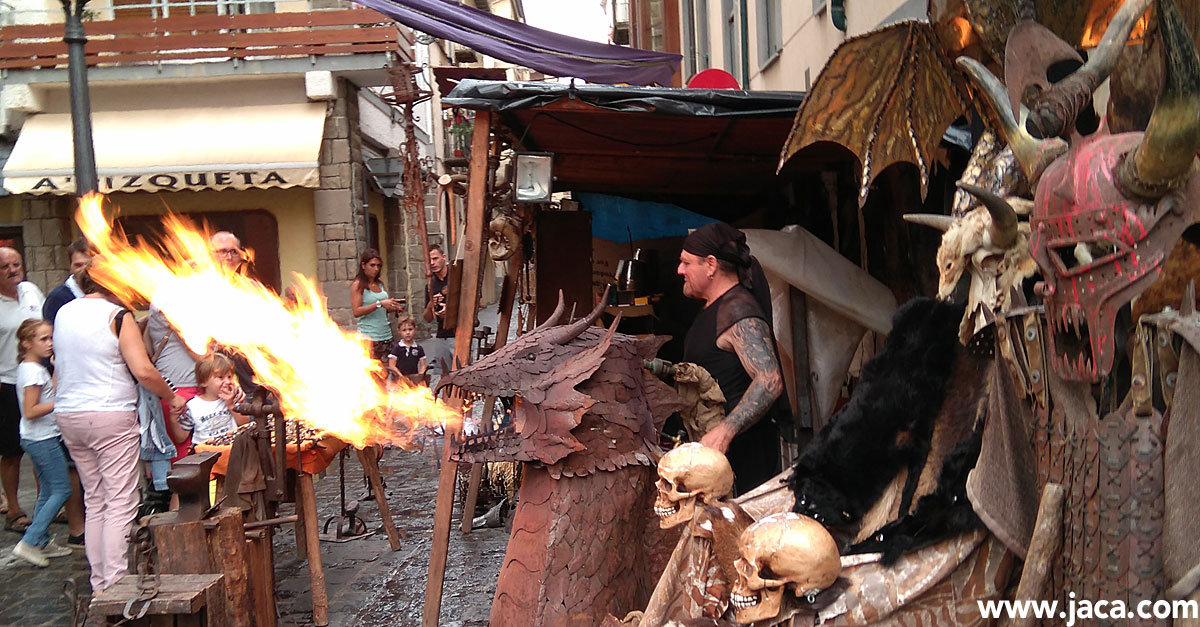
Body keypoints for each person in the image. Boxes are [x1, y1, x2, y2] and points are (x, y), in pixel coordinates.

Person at [54, 261, 186, 592]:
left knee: (95, 499)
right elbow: (143, 370)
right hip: (110, 414)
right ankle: (113, 582)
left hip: (69, 413)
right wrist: (172, 396)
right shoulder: (118, 316)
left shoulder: (64, 313)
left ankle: (100, 583)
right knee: (120, 501)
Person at [677, 223, 784, 495]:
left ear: (711, 265)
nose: (680, 270)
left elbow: (770, 380)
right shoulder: (713, 309)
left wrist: (725, 431)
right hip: (718, 456)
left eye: (686, 263)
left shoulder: (738, 310)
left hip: (744, 459)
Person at [10, 320, 73, 567]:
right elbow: (30, 410)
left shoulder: (32, 367)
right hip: (41, 439)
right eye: (43, 339)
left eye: (51, 338)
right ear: (27, 343)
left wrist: (56, 372)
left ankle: (42, 540)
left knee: (47, 490)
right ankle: (29, 541)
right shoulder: (33, 371)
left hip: (38, 438)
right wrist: (63, 402)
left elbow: (49, 393)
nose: (50, 344)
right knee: (62, 489)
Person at [0, 247, 43, 533]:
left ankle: (45, 504)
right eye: (6, 266)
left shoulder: (30, 290)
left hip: (37, 380)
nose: (14, 269)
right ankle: (14, 508)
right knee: (12, 451)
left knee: (43, 445)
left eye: (17, 264)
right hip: (7, 383)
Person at [210, 231, 258, 396]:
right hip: (214, 374)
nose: (229, 257)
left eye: (234, 252)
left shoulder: (252, 288)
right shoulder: (199, 286)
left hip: (250, 372)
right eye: (223, 251)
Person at [168, 352, 249, 446]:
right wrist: (173, 419)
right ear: (203, 382)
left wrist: (231, 405)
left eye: (229, 377)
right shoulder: (192, 406)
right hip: (205, 454)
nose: (227, 381)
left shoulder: (233, 398)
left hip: (233, 450)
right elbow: (181, 437)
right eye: (220, 377)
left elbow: (245, 424)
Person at [351, 248, 405, 366]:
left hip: (385, 334)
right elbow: (356, 311)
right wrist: (379, 304)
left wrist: (393, 306)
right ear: (363, 265)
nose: (376, 269)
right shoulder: (358, 285)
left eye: (378, 266)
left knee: (390, 372)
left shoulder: (380, 283)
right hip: (368, 337)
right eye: (372, 265)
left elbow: (383, 306)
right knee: (373, 375)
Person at [422, 244, 455, 388]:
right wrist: (431, 304)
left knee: (462, 373)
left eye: (435, 259)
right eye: (430, 261)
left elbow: (476, 303)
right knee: (444, 377)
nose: (433, 263)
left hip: (459, 333)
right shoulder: (430, 284)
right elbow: (427, 318)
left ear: (443, 257)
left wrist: (450, 310)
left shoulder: (455, 277)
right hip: (442, 335)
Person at [42, 238, 94, 324]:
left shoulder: (111, 294)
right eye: (78, 265)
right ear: (70, 267)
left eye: (90, 265)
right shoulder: (57, 298)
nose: (84, 270)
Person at [387, 315, 427, 383]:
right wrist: (401, 376)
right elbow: (392, 365)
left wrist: (420, 376)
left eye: (410, 329)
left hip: (413, 380)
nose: (407, 333)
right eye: (404, 330)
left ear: (415, 329)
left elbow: (423, 366)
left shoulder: (418, 349)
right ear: (399, 331)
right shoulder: (397, 348)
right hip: (398, 381)